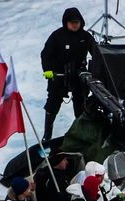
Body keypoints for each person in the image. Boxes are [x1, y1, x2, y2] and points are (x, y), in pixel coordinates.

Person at [40, 7, 95, 142]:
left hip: (78, 76)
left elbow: (97, 54)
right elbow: (45, 55)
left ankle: (81, 132)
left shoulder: (86, 37)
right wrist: (47, 70)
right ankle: (47, 134)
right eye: (72, 22)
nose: (75, 25)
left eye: (77, 22)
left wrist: (95, 72)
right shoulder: (57, 36)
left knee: (81, 104)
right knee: (53, 104)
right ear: (66, 22)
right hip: (59, 75)